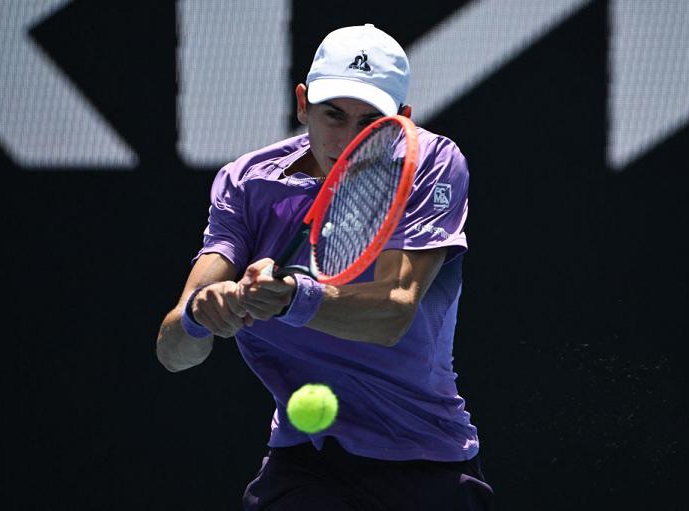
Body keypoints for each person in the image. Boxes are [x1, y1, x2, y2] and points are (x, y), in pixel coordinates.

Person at [156, 23, 494, 511]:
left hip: (426, 458)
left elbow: (392, 314)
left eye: (369, 122)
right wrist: (202, 314)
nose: (348, 140)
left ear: (401, 119)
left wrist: (293, 298)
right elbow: (174, 352)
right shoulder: (248, 183)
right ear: (302, 104)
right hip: (307, 463)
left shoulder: (432, 164)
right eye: (333, 115)